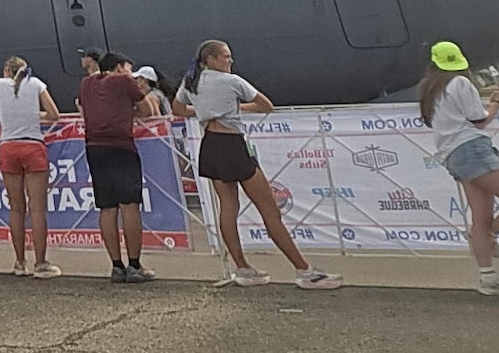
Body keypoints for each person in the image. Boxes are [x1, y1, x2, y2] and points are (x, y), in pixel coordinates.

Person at [173, 40, 341, 290]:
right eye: (225, 56)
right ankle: (303, 270)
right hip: (232, 143)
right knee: (269, 209)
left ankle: (242, 268)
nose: (230, 61)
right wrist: (234, 108)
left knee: (227, 207)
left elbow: (178, 108)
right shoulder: (231, 81)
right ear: (211, 59)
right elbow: (266, 105)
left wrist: (204, 111)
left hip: (210, 143)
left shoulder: (191, 81)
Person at [415, 41, 499, 295]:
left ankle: (487, 276)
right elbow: (479, 120)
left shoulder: (431, 91)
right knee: (483, 222)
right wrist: (496, 102)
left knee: (480, 216)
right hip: (473, 149)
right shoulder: (461, 84)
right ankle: (491, 235)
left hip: (453, 155)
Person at [77, 52, 154, 284]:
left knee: (107, 207)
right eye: (129, 68)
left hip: (94, 147)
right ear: (120, 67)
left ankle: (116, 266)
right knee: (130, 205)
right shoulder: (123, 81)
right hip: (121, 146)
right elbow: (147, 110)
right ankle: (134, 264)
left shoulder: (86, 83)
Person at [0, 57, 62, 277]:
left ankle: (20, 262)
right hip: (33, 145)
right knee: (37, 209)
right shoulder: (37, 84)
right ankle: (40, 263)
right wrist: (35, 115)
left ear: (7, 70)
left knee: (16, 209)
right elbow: (54, 114)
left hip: (8, 147)